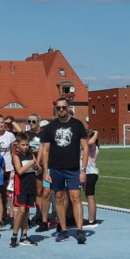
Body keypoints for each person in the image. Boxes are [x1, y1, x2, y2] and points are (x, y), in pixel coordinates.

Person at [39, 98, 89, 243]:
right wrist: (46, 171)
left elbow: (85, 148)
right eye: (58, 108)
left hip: (73, 168)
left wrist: (83, 170)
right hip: (56, 169)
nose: (61, 110)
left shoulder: (77, 125)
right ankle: (64, 230)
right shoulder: (50, 128)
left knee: (76, 198)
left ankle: (80, 230)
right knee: (59, 198)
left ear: (68, 108)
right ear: (55, 109)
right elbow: (45, 150)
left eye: (63, 107)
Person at [10, 132, 39, 247]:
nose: (25, 147)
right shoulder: (16, 156)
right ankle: (14, 235)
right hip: (21, 186)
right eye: (23, 145)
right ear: (18, 145)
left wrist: (37, 166)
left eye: (27, 144)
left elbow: (38, 168)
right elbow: (20, 171)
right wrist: (31, 163)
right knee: (21, 211)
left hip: (31, 185)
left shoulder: (31, 154)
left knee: (27, 212)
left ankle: (24, 235)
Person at [25, 114, 51, 231]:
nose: (31, 123)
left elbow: (45, 149)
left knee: (40, 191)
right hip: (31, 164)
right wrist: (35, 162)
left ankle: (40, 214)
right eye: (29, 121)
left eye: (33, 121)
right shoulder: (27, 135)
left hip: (42, 165)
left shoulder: (43, 135)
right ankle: (37, 213)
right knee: (34, 191)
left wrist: (40, 164)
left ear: (38, 122)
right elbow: (26, 149)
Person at [84, 127, 100, 226]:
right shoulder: (89, 146)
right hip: (88, 173)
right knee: (90, 197)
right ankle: (92, 218)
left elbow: (89, 143)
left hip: (90, 173)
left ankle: (91, 220)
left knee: (90, 197)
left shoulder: (92, 145)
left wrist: (96, 133)